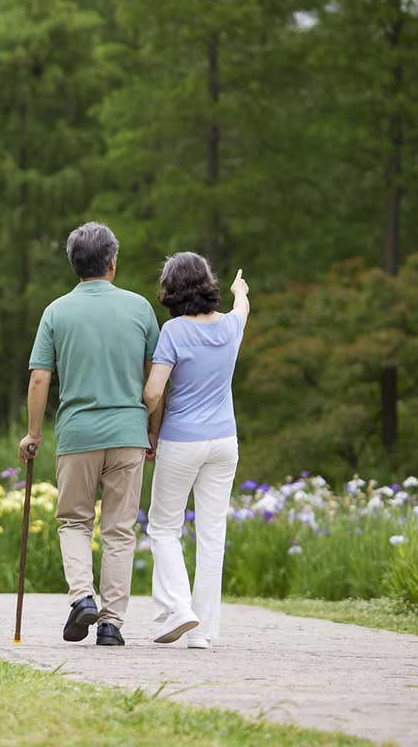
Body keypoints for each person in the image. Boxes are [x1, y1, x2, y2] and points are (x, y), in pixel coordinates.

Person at [19, 222, 159, 646]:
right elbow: (156, 379)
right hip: (128, 433)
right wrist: (152, 430)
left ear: (74, 264)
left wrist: (33, 434)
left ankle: (82, 597)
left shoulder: (57, 311)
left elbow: (41, 378)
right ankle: (112, 625)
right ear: (112, 263)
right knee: (119, 529)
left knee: (74, 522)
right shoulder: (139, 309)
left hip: (78, 434)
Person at [143, 252, 250, 648]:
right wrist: (240, 290)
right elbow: (242, 307)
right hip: (225, 442)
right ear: (207, 285)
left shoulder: (174, 332)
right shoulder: (230, 327)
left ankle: (178, 608)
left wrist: (143, 415)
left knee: (164, 526)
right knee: (211, 535)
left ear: (172, 290)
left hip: (182, 441)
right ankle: (203, 633)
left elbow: (155, 391)